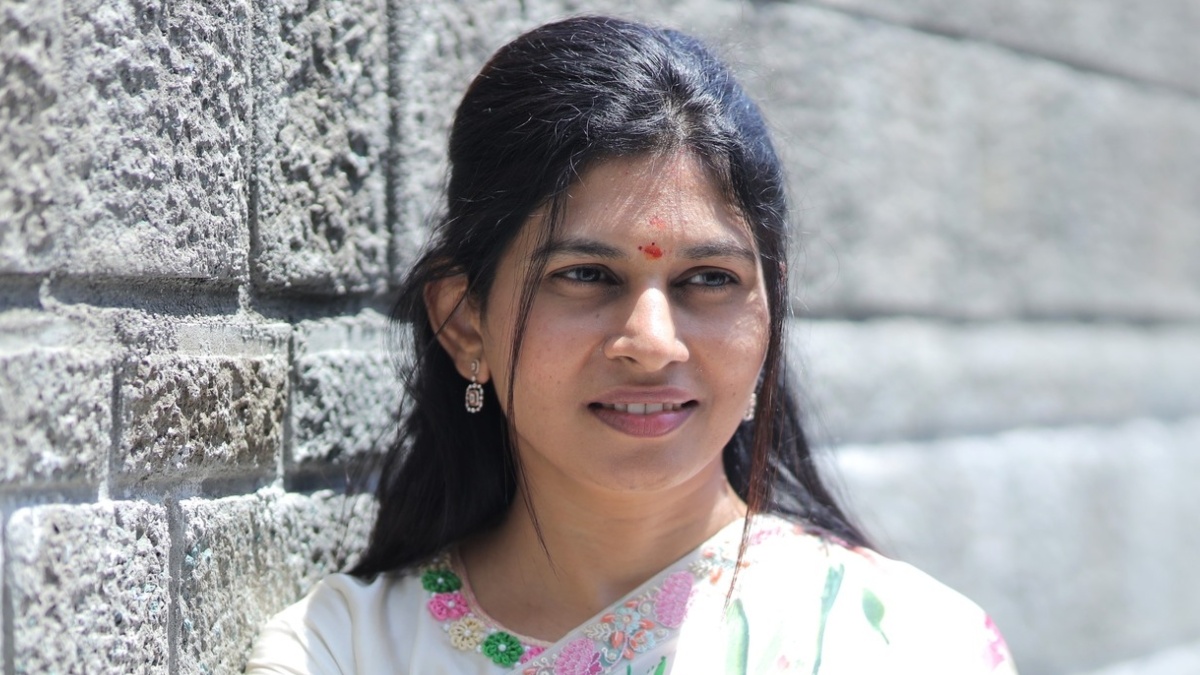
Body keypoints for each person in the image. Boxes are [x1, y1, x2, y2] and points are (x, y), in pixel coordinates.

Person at [246, 15, 1017, 674]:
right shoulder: (342, 650)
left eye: (709, 279)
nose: (651, 342)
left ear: (771, 315)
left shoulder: (907, 643)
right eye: (585, 275)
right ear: (465, 321)